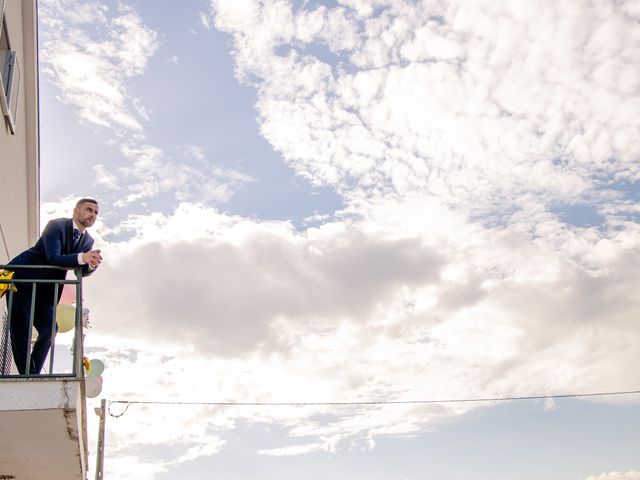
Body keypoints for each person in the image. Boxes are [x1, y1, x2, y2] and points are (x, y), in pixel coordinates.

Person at [7, 198, 103, 374]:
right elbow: (53, 257)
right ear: (76, 212)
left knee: (50, 329)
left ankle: (31, 373)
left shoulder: (88, 240)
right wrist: (83, 257)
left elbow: (80, 269)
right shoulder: (56, 226)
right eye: (89, 210)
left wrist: (91, 265)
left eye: (96, 212)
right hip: (22, 278)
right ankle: (28, 374)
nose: (93, 215)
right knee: (21, 327)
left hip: (46, 289)